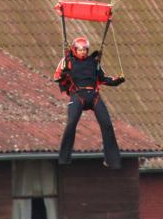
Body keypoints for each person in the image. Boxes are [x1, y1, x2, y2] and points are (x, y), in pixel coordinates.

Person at [54, 36, 125, 168]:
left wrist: (117, 80)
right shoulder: (67, 61)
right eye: (80, 50)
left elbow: (103, 79)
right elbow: (57, 77)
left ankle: (112, 160)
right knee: (71, 123)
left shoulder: (93, 62)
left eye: (85, 50)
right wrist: (64, 75)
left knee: (107, 124)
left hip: (94, 96)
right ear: (75, 50)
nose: (82, 52)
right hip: (78, 95)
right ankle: (64, 159)